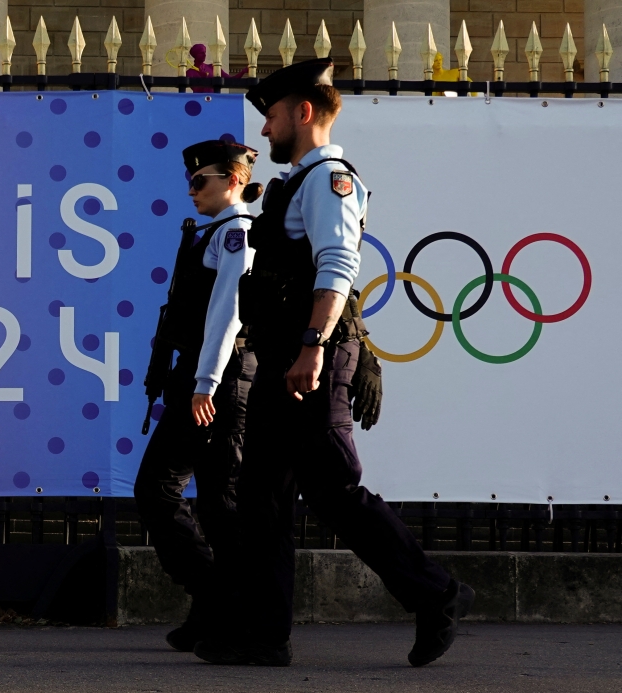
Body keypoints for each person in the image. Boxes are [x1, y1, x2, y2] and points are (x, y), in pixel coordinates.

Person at [193, 58, 474, 668]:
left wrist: (314, 349)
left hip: (306, 361)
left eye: (269, 117)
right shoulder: (295, 183)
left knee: (336, 493)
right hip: (281, 360)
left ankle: (439, 594)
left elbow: (338, 268)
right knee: (263, 498)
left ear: (302, 112)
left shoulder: (330, 181)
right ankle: (264, 636)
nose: (262, 131)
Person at [135, 140, 262, 652]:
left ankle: (222, 600)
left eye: (201, 180)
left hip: (219, 378)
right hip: (202, 374)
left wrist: (203, 383)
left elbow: (226, 314)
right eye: (189, 181)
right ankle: (218, 604)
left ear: (233, 179)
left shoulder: (235, 232)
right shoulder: (209, 230)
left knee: (162, 489)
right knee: (214, 502)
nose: (191, 190)